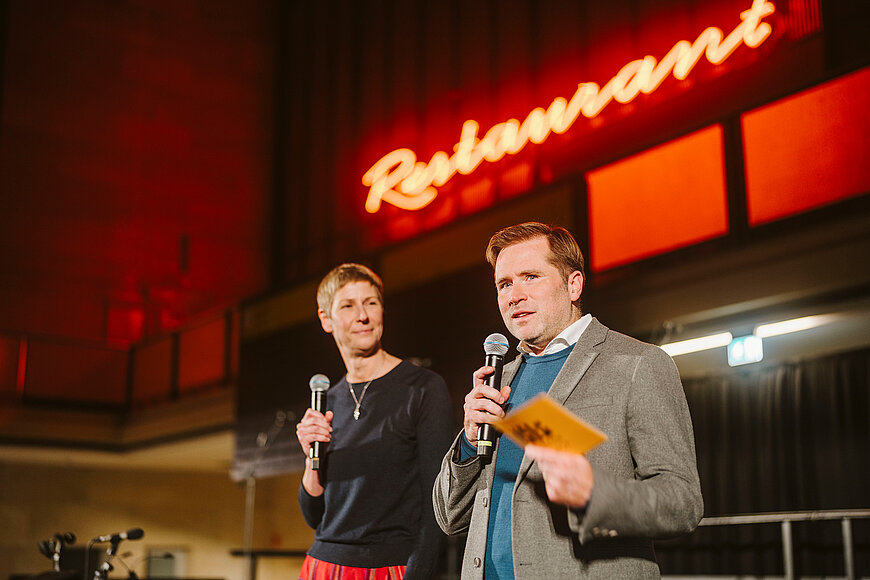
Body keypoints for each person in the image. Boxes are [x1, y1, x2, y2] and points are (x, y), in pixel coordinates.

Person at [433, 222, 703, 579]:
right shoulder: (501, 378)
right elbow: (451, 518)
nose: (515, 295)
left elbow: (683, 502)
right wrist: (468, 442)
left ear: (573, 284)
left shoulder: (638, 364)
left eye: (530, 277)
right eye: (505, 284)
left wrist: (596, 494)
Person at [295, 263, 454, 580]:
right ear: (326, 320)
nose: (362, 316)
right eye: (348, 306)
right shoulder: (327, 400)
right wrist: (311, 460)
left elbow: (437, 500)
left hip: (390, 568)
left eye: (371, 303)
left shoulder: (422, 388)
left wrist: (418, 574)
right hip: (323, 565)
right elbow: (315, 516)